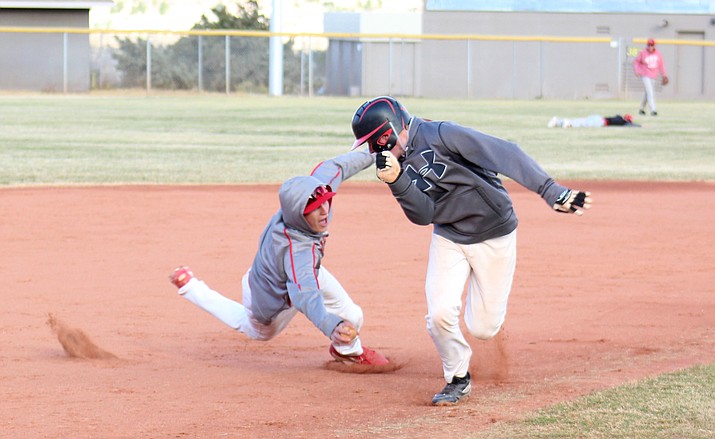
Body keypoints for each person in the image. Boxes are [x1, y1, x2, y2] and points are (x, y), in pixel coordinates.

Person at [350, 96, 592, 406]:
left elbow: (506, 153)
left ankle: (485, 314)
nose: (376, 151)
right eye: (371, 145)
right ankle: (457, 377)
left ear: (394, 128)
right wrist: (397, 181)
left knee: (483, 327)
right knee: (438, 315)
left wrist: (551, 190)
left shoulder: (442, 135)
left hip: (494, 234)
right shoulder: (394, 166)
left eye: (378, 141)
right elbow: (423, 215)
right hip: (449, 236)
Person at [169, 150, 391, 366]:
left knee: (352, 315)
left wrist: (377, 153)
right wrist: (330, 325)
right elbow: (305, 296)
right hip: (269, 299)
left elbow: (335, 167)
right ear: (299, 213)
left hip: (289, 273)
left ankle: (348, 352)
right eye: (316, 208)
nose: (324, 211)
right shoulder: (297, 251)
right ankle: (191, 288)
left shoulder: (308, 200)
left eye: (326, 201)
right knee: (251, 328)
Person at [633, 38, 668, 116]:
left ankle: (641, 109)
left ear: (654, 45)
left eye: (652, 45)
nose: (650, 47)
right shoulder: (643, 53)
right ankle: (653, 110)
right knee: (650, 92)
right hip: (645, 75)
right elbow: (636, 62)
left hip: (653, 75)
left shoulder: (658, 54)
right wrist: (637, 70)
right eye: (649, 45)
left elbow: (661, 65)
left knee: (647, 93)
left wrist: (664, 75)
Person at [547, 114, 638, 128]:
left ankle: (558, 121)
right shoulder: (621, 121)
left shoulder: (618, 117)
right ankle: (567, 123)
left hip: (598, 117)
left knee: (581, 121)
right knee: (582, 123)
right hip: (600, 122)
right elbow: (629, 125)